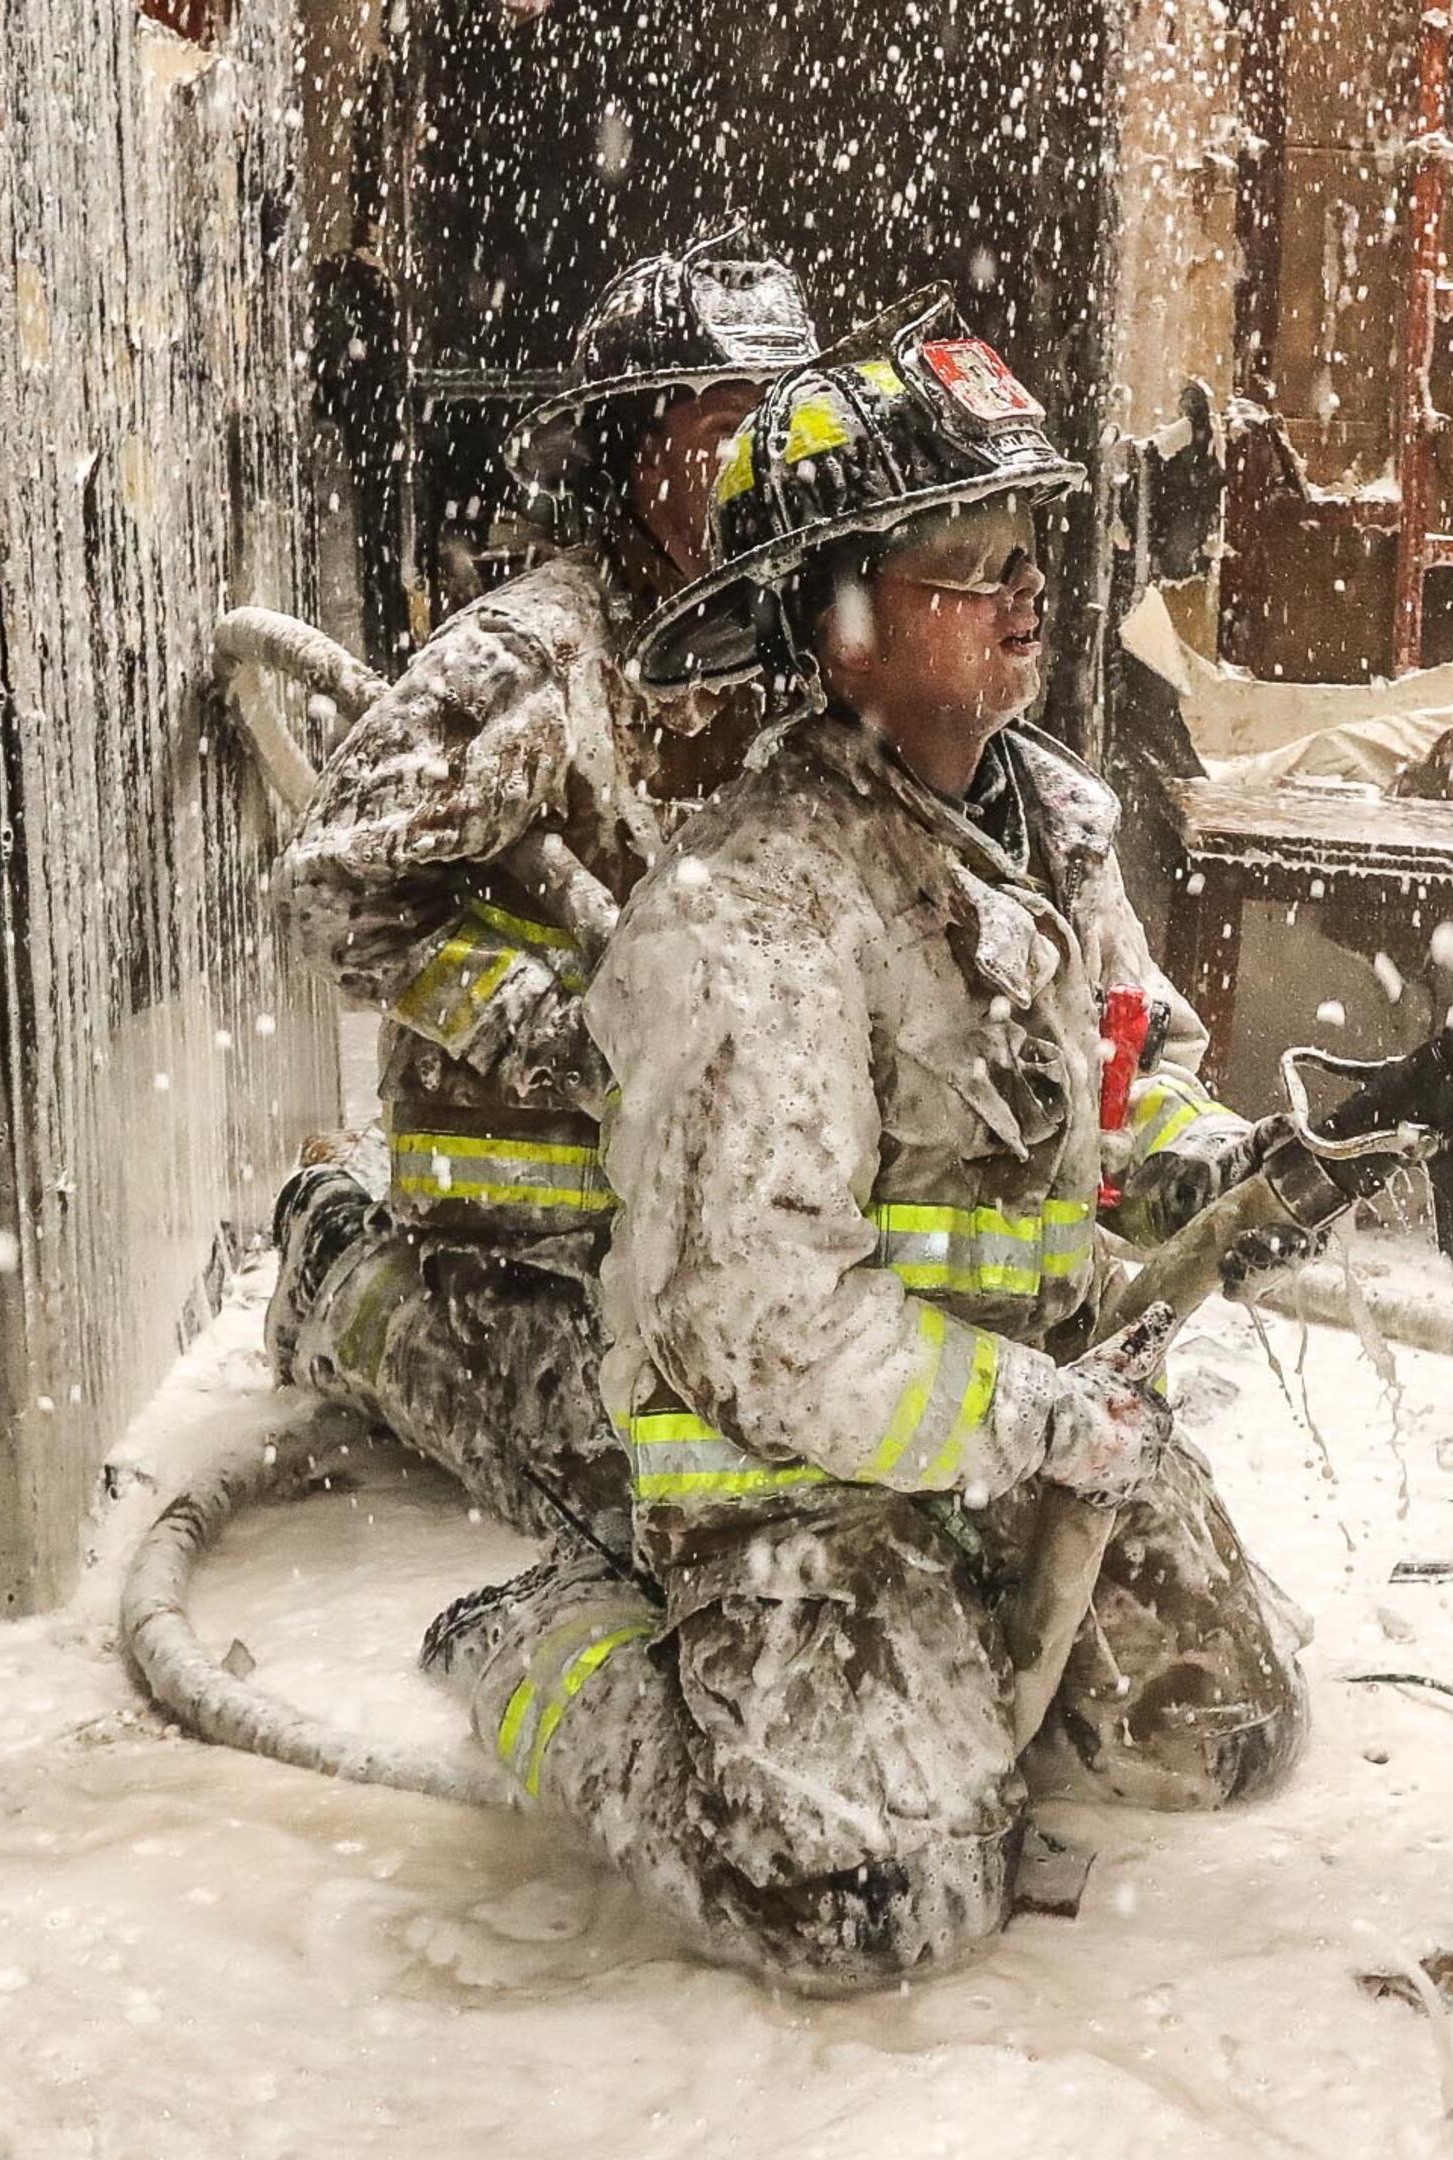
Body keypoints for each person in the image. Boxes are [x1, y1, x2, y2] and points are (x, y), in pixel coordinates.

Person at [422, 304, 1294, 1993]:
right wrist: (1034, 1420)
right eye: (966, 557)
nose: (1025, 586)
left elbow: (1135, 1078)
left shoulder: (1051, 829)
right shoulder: (748, 920)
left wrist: (1222, 1165)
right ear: (835, 627)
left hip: (1026, 1443)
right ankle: (564, 1646)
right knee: (865, 1912)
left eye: (1025, 543)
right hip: (798, 1485)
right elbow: (753, 1322)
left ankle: (946, 1678)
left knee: (1224, 1736)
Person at [265, 226, 817, 1557]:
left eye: (785, 426)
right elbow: (334, 887)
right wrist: (561, 1030)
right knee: (635, 1504)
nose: (766, 463)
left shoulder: (802, 648)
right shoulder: (536, 656)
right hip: (527, 1241)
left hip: (700, 1228)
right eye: (730, 423)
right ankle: (344, 1275)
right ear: (638, 445)